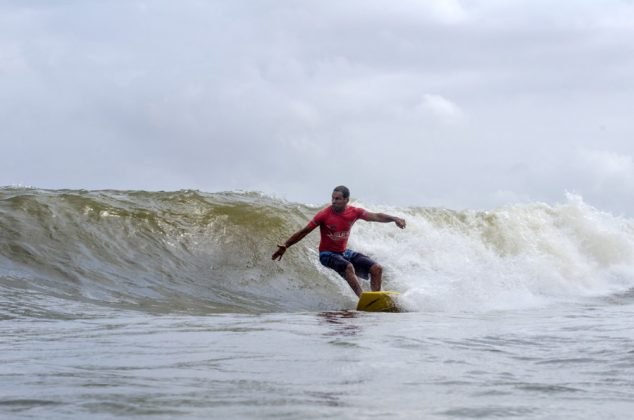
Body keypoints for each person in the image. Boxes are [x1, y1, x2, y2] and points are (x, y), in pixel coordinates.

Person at [272, 185, 406, 297]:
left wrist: (394, 218)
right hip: (327, 255)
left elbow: (376, 216)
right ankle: (363, 299)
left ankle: (376, 300)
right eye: (333, 198)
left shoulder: (354, 212)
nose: (334, 201)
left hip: (343, 253)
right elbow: (304, 231)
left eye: (338, 199)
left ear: (346, 200)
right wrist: (286, 245)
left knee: (377, 268)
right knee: (348, 267)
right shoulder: (324, 215)